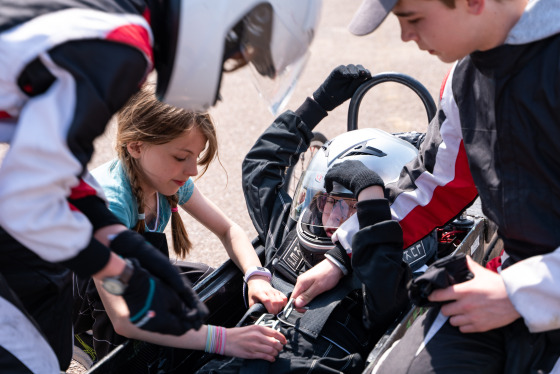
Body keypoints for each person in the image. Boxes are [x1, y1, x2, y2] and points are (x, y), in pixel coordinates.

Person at [0, 1, 322, 372]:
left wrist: (254, 275)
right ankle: (86, 337)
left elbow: (51, 166)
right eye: (231, 54)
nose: (224, 67)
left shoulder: (122, 27)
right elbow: (29, 189)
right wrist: (112, 264)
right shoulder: (124, 46)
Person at [296, 0, 559, 372]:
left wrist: (521, 293)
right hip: (514, 286)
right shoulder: (466, 79)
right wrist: (344, 251)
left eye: (413, 18)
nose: (405, 36)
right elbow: (433, 185)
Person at [195, 64, 438, 373]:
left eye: (352, 208)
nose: (335, 217)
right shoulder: (288, 237)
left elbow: (381, 268)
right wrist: (318, 104)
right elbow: (260, 169)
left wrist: (368, 190)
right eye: (330, 202)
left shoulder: (387, 269)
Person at [73, 86, 288, 367]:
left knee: (219, 287)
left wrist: (256, 275)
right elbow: (124, 317)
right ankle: (87, 338)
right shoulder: (109, 205)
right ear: (136, 146)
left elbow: (228, 230)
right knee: (134, 351)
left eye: (195, 157)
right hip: (73, 297)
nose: (192, 171)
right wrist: (222, 339)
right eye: (180, 157)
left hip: (127, 271)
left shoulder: (165, 179)